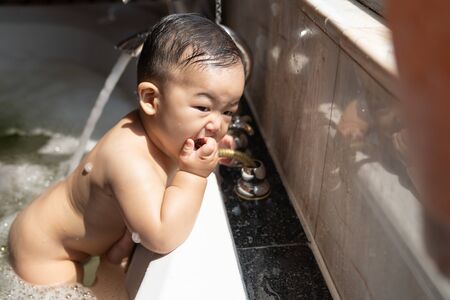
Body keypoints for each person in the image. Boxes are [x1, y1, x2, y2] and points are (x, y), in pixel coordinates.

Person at [7, 12, 245, 293]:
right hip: (45, 251)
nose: (217, 125)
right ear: (151, 99)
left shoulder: (163, 130)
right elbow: (161, 236)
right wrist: (193, 174)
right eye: (203, 108)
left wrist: (214, 154)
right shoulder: (129, 158)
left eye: (228, 111)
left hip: (79, 240)